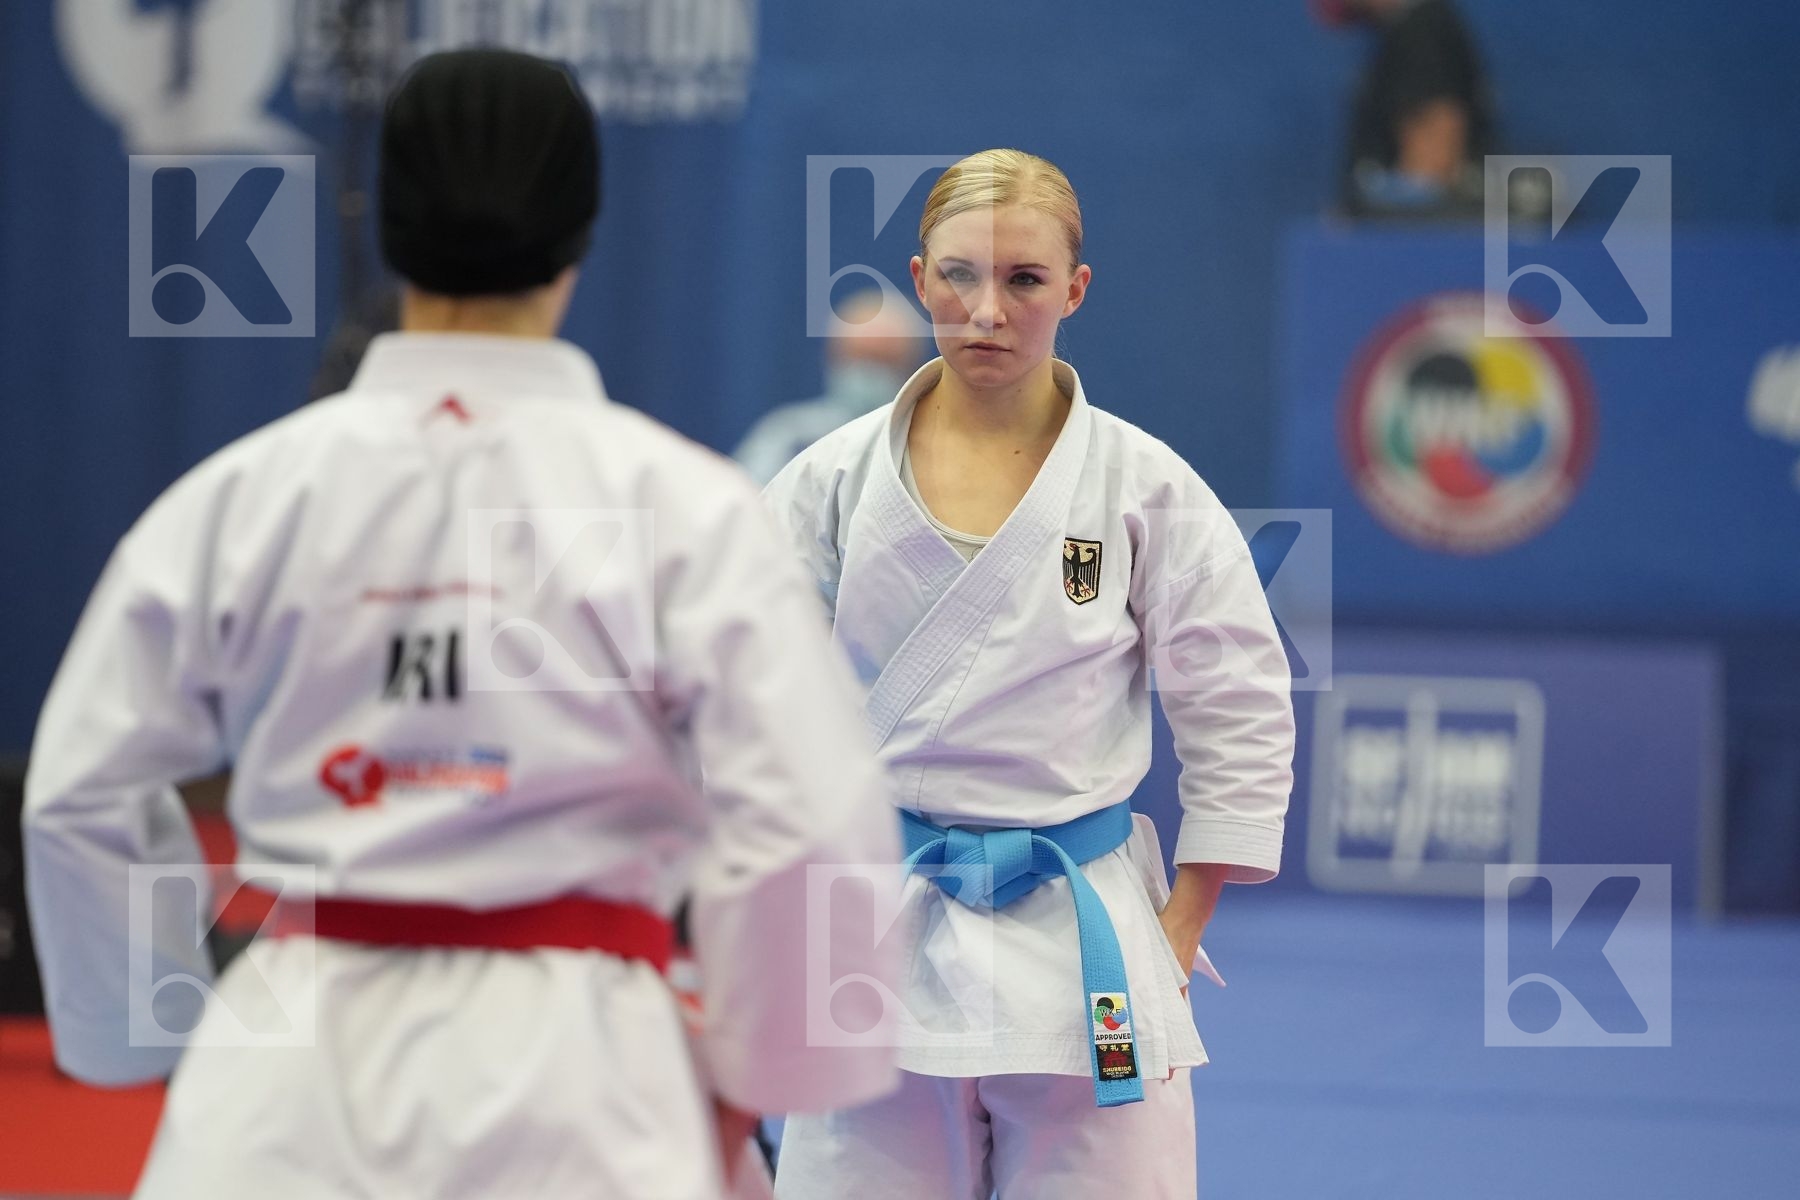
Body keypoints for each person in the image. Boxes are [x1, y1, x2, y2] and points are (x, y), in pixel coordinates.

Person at [22, 48, 898, 1200]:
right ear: (580, 236)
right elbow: (811, 825)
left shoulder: (243, 496)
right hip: (585, 1078)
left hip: (286, 1071)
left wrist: (140, 1029)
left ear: (391, 228)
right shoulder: (679, 504)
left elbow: (79, 791)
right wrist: (763, 1070)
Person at [762, 149, 1295, 1198]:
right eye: (958, 277)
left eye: (1023, 281)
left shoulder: (1146, 487)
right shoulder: (828, 483)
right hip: (881, 929)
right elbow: (747, 703)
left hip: (1082, 932)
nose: (986, 312)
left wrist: (1184, 917)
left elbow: (1238, 702)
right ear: (919, 280)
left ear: (1074, 292)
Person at [1316, 0, 1497, 219]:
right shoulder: (1407, 27)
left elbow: (1433, 166)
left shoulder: (1421, 30)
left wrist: (1374, 227)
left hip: (1423, 240)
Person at [733, 289, 926, 485]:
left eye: (884, 361)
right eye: (858, 357)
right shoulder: (791, 438)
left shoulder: (924, 443)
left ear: (912, 366)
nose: (867, 373)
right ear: (832, 357)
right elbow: (746, 499)